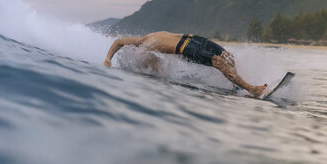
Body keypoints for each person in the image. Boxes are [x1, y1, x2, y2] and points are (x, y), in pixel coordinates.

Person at [104, 31, 267, 97]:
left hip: (192, 38)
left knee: (228, 57)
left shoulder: (144, 38)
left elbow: (119, 42)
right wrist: (109, 59)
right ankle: (251, 89)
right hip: (185, 48)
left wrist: (108, 58)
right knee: (219, 62)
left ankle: (236, 86)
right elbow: (120, 42)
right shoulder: (143, 46)